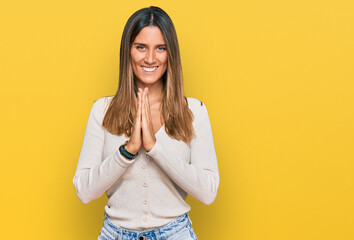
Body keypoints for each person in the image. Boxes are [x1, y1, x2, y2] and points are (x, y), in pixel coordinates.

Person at [73, 6, 220, 240]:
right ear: (128, 51)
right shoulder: (102, 111)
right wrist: (128, 151)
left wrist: (155, 149)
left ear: (170, 53)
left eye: (160, 48)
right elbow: (83, 191)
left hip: (176, 234)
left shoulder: (194, 112)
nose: (150, 58)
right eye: (141, 47)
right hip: (115, 234)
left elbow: (208, 192)